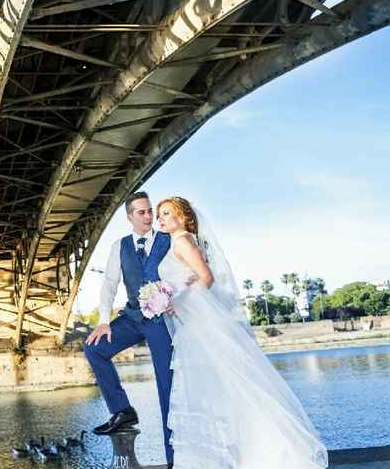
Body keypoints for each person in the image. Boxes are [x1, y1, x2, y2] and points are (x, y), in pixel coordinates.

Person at [155, 196, 328, 469]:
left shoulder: (182, 241)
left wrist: (176, 299)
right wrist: (172, 300)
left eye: (166, 213)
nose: (160, 219)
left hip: (200, 327)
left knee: (212, 388)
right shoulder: (183, 240)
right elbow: (195, 279)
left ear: (182, 216)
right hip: (193, 326)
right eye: (159, 215)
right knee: (216, 387)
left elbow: (206, 278)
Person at [83, 191, 176, 468]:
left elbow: (184, 275)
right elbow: (109, 284)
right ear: (129, 217)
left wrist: (176, 300)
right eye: (142, 212)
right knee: (93, 348)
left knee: (166, 386)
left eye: (150, 211)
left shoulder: (168, 241)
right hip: (133, 318)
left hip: (161, 322)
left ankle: (174, 457)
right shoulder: (119, 246)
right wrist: (103, 320)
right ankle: (122, 411)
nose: (148, 217)